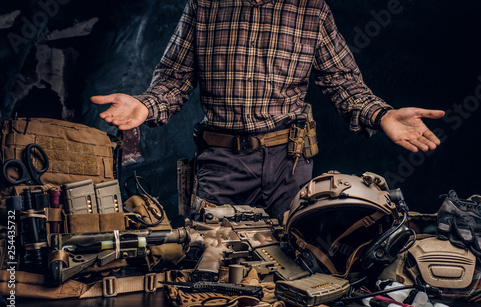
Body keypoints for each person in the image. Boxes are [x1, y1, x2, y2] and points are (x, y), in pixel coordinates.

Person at [91, 0, 444, 221]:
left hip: (290, 164)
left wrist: (382, 115)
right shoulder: (206, 6)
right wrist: (145, 104)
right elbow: (175, 78)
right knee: (213, 259)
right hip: (222, 162)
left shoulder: (311, 9)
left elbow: (342, 82)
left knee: (296, 259)